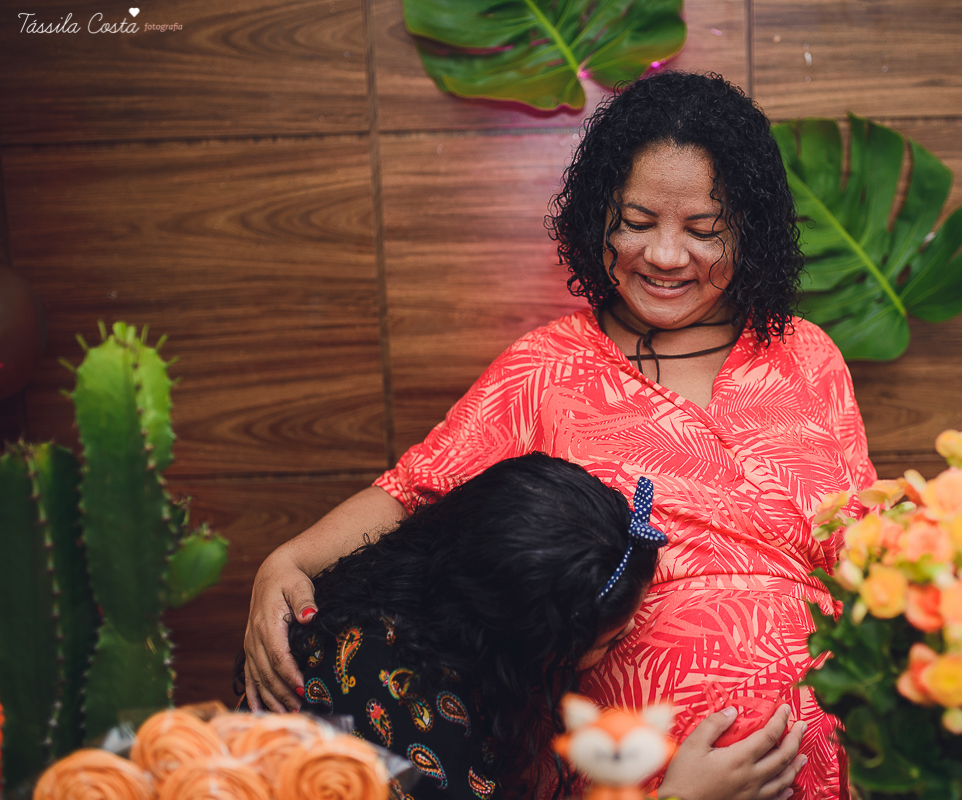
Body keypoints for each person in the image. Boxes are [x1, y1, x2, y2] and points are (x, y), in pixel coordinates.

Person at [244, 71, 875, 800]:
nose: (667, 256)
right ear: (597, 216)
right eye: (638, 221)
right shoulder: (546, 368)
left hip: (841, 761)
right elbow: (416, 492)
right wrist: (285, 561)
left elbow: (861, 541)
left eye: (704, 230)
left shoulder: (806, 354)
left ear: (750, 231)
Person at [289, 453, 805, 800]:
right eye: (610, 642)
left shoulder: (413, 593)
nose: (627, 642)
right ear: (522, 641)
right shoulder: (416, 727)